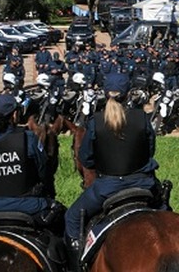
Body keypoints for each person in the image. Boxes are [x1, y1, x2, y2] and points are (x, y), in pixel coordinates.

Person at [64, 72, 163, 269]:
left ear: (105, 93)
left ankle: (78, 263)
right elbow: (150, 150)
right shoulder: (141, 117)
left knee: (72, 218)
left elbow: (85, 158)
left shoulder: (95, 121)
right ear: (128, 94)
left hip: (106, 188)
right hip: (144, 184)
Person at [0, 94, 60, 238]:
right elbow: (44, 171)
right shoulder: (27, 138)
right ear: (14, 115)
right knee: (66, 223)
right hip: (30, 206)